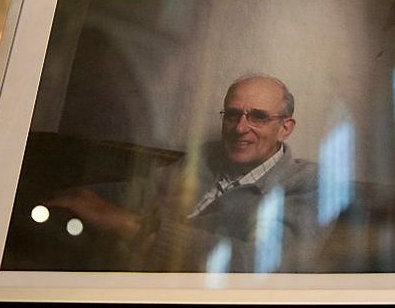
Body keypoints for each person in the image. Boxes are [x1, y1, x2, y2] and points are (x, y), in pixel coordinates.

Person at [49, 75, 324, 273]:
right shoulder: (207, 156)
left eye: (258, 117)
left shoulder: (308, 183)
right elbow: (144, 190)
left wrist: (133, 228)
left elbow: (261, 263)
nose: (240, 128)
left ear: (286, 128)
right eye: (232, 114)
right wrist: (77, 195)